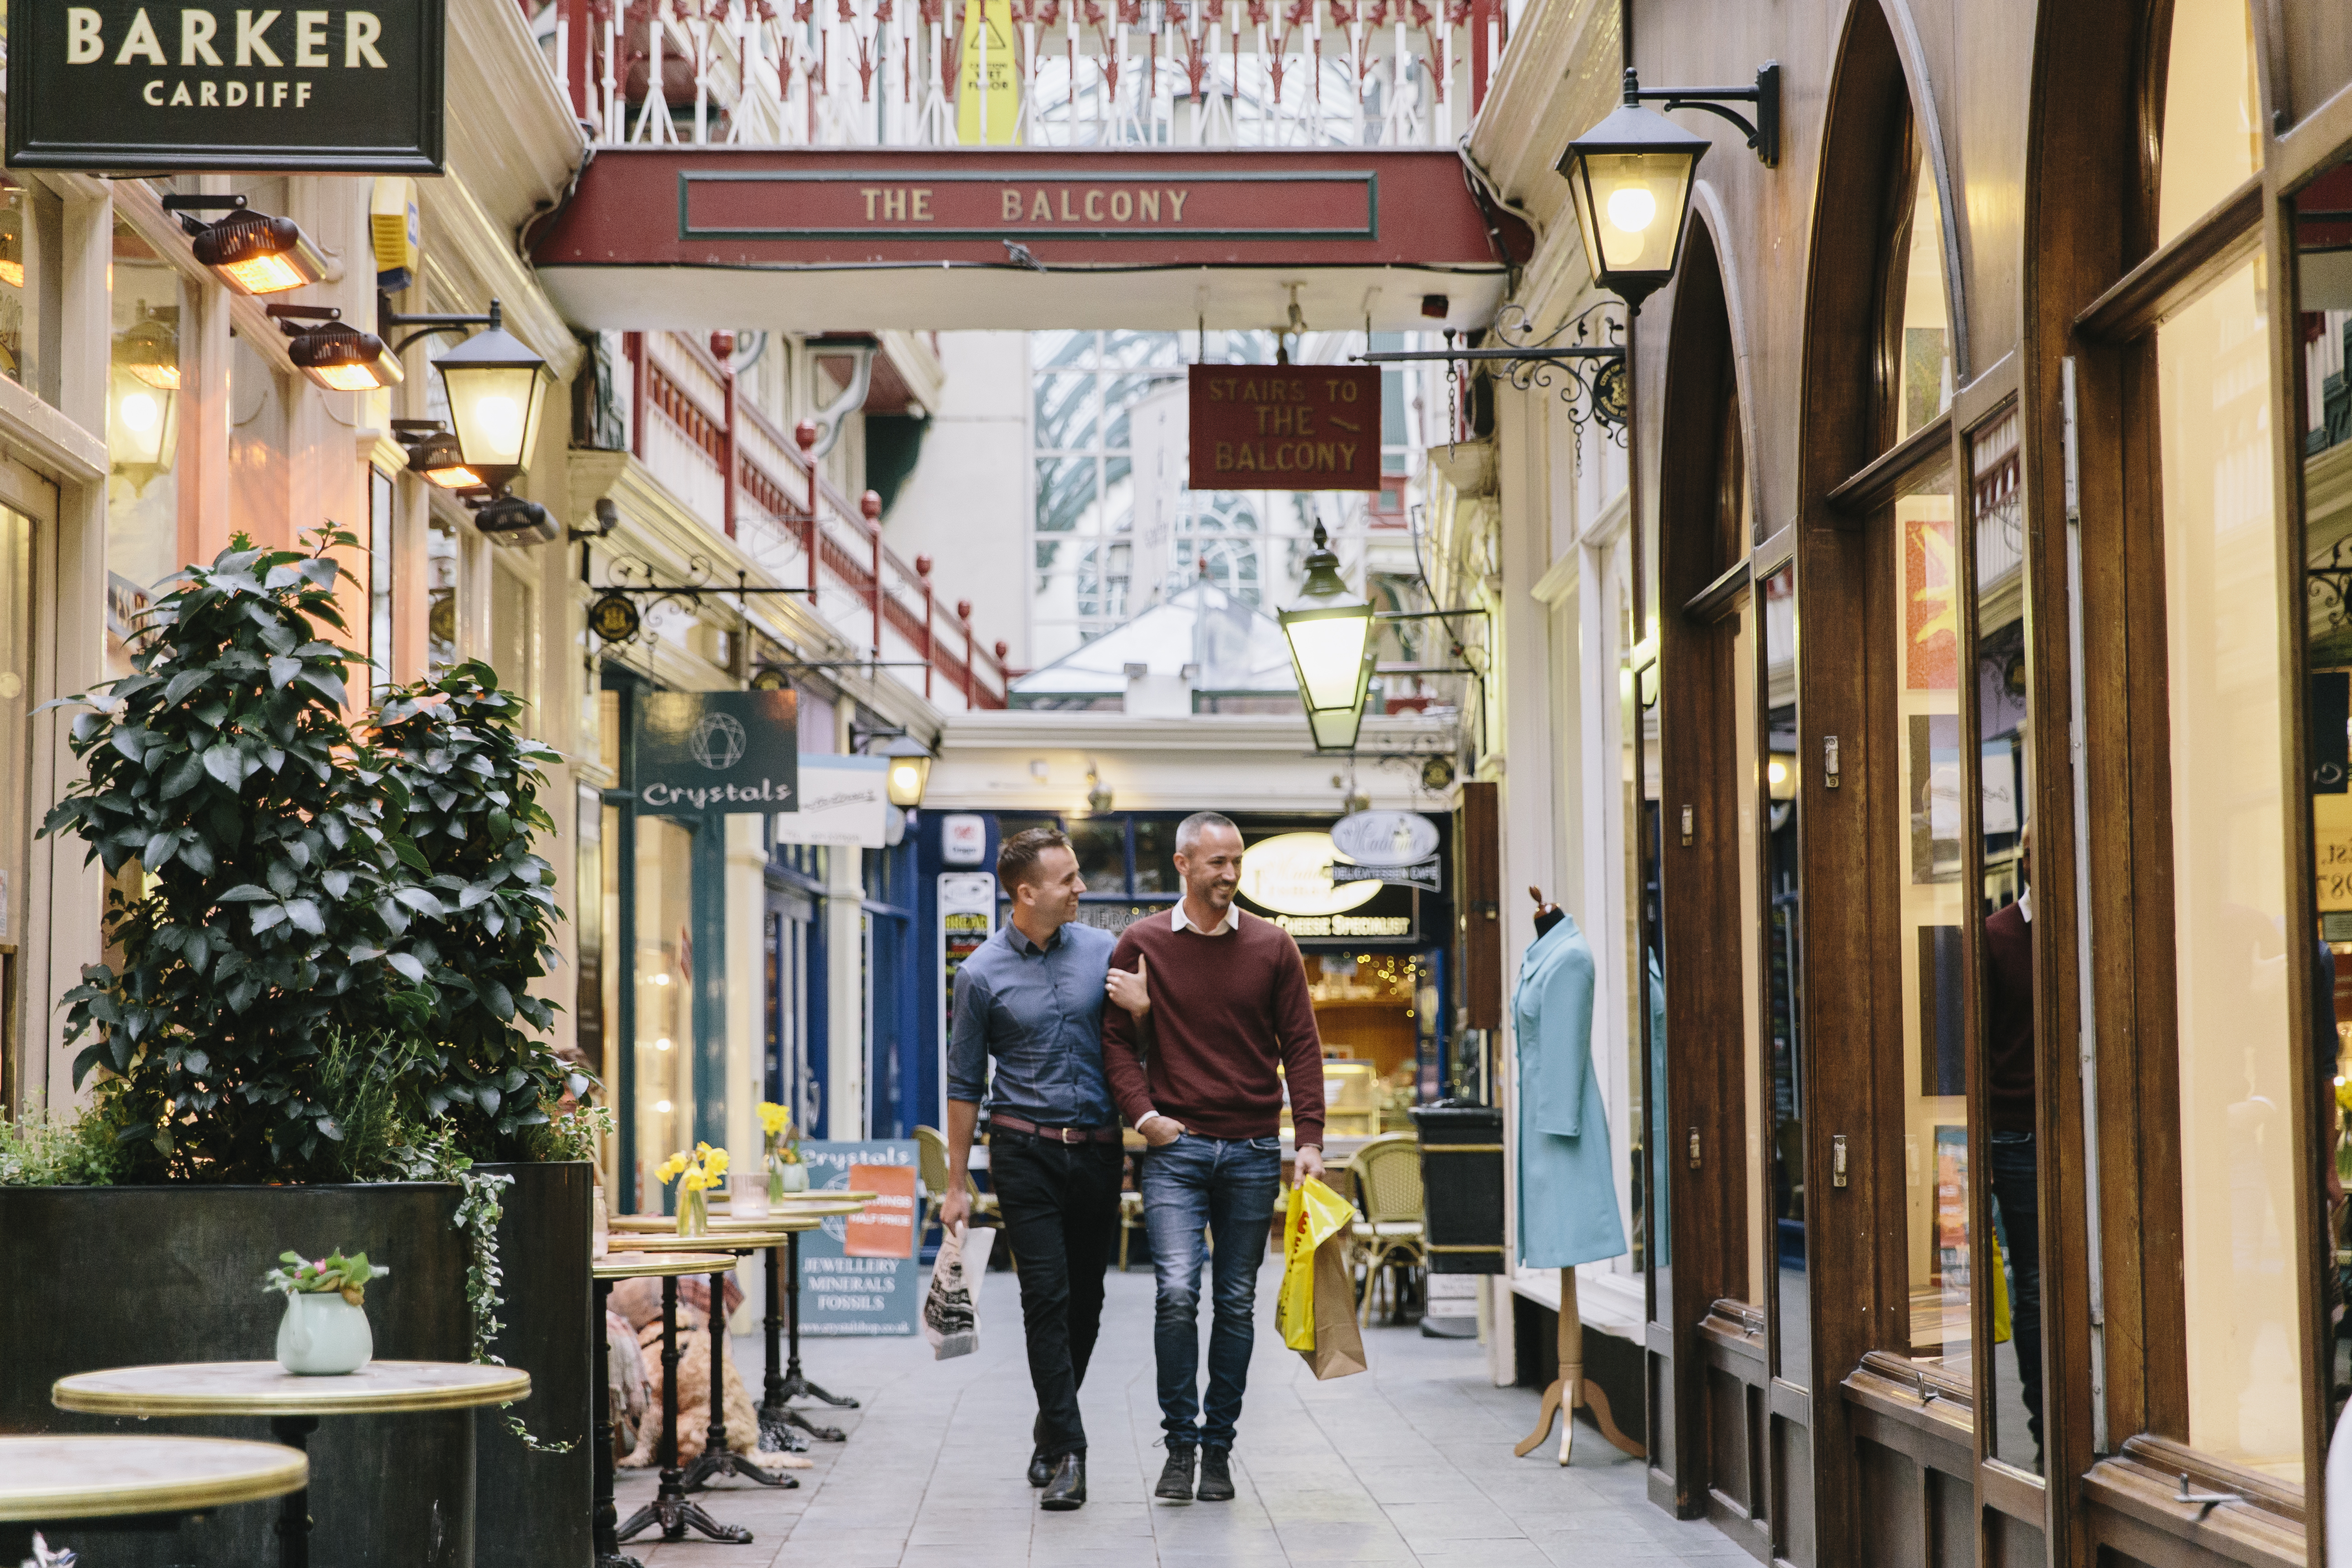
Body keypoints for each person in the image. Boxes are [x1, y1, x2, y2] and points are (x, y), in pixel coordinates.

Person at [1102, 811, 1326, 1504]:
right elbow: (1113, 1045)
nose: (1229, 874)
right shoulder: (1140, 944)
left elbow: (1302, 1047)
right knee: (1176, 1294)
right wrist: (1145, 1118)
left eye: (1236, 862)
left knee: (1234, 1303)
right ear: (1182, 865)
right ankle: (1179, 1446)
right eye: (1216, 863)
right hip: (1176, 1149)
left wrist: (1310, 1140)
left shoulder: (1273, 946)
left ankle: (1219, 1449)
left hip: (1256, 1148)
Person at [941, 826, 1151, 1512]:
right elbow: (965, 1082)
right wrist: (955, 1185)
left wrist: (1143, 1013)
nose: (1081, 889)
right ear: (1027, 892)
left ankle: (1048, 1426)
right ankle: (1072, 1452)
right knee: (1047, 1298)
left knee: (1087, 1302)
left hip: (1096, 1148)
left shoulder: (1106, 951)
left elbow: (1140, 1039)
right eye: (1068, 881)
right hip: (1022, 1149)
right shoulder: (978, 975)